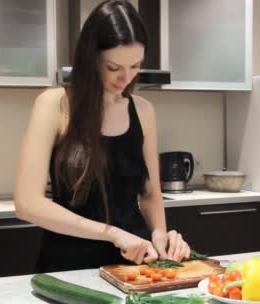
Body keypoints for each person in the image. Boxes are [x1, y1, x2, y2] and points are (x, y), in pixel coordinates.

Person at [14, 0, 192, 272]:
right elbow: (27, 204)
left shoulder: (143, 111)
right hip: (69, 266)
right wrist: (112, 233)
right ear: (91, 58)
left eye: (135, 66)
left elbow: (150, 193)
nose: (126, 78)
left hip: (134, 266)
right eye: (114, 68)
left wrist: (160, 236)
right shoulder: (54, 105)